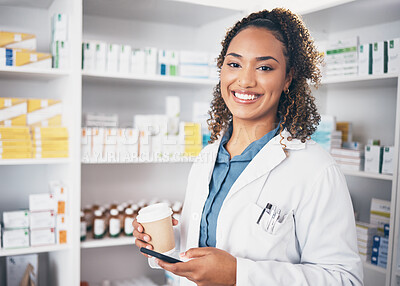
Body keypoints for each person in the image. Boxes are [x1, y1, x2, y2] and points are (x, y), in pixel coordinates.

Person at [133, 8, 363, 286]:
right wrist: (164, 242)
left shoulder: (315, 169)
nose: (244, 80)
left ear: (288, 78)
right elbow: (206, 245)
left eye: (264, 67)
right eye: (234, 64)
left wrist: (238, 275)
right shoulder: (208, 158)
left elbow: (345, 279)